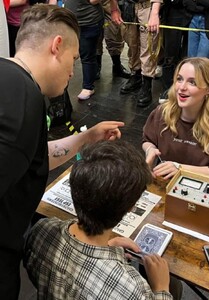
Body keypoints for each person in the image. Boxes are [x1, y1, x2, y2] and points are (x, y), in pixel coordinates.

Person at [0, 4, 124, 299]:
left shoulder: (10, 79)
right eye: (73, 58)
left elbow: (31, 154)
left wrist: (86, 139)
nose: (72, 71)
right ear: (57, 46)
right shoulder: (24, 103)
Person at [24, 139, 178, 299]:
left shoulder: (42, 230)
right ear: (131, 207)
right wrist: (161, 288)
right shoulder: (131, 289)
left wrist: (108, 246)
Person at [142, 57, 209, 180]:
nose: (182, 87)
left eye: (192, 82)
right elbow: (148, 139)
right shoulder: (162, 112)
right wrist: (150, 150)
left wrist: (179, 168)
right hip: (164, 182)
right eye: (179, 79)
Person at [111, 0, 163, 107]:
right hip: (127, 6)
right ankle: (136, 75)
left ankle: (147, 83)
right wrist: (114, 9)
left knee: (148, 45)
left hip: (147, 6)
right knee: (132, 44)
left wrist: (155, 13)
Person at [65, 0, 104, 100]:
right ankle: (64, 84)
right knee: (66, 54)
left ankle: (88, 86)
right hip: (69, 20)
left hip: (88, 21)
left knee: (87, 55)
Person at [95, 0, 131, 80]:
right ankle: (96, 67)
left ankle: (117, 66)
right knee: (95, 36)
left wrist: (114, 9)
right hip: (91, 5)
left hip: (110, 3)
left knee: (114, 32)